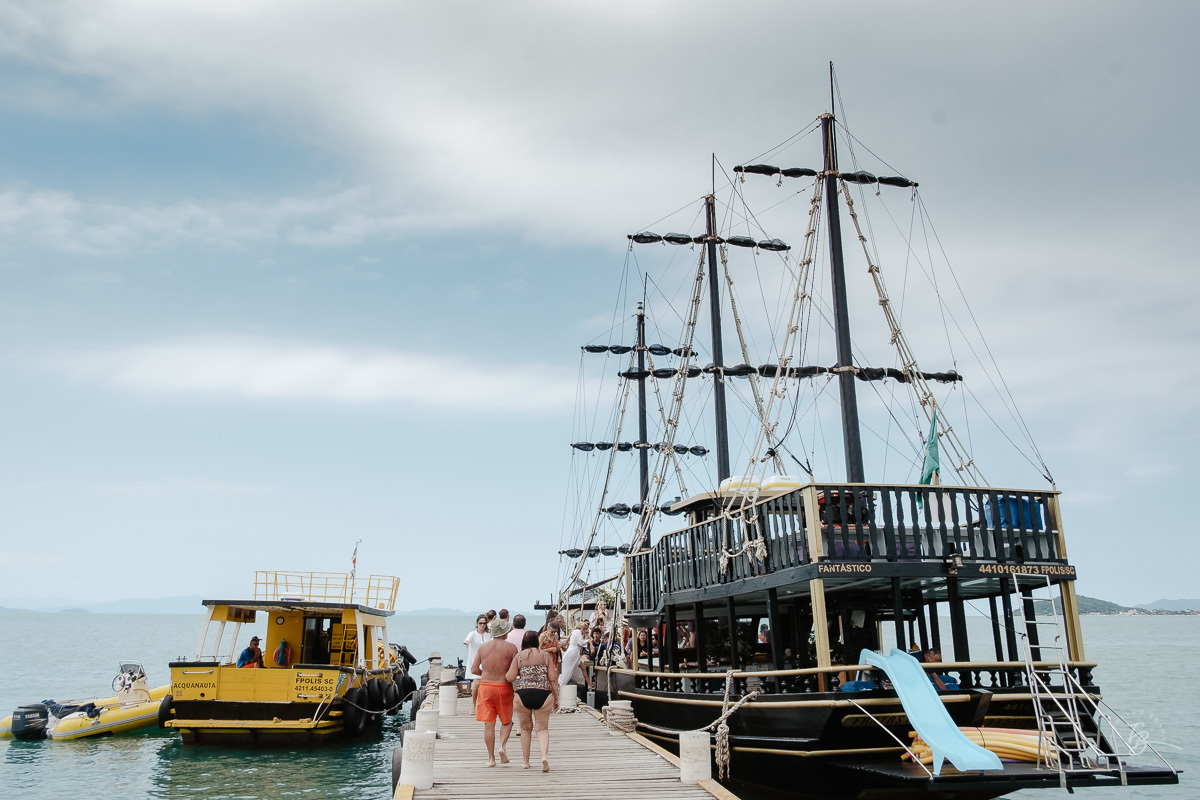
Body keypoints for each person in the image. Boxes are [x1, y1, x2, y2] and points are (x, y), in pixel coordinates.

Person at [469, 616, 518, 767]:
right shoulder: (511, 648)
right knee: (507, 721)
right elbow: (514, 671)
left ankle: (491, 758)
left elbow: (474, 669)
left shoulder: (483, 648)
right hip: (503, 687)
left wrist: (485, 673)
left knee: (488, 724)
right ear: (505, 633)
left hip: (486, 687)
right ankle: (502, 747)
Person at [506, 629, 557, 772]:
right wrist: (557, 697)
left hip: (523, 694)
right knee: (542, 728)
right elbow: (552, 678)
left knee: (525, 729)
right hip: (544, 693)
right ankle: (544, 757)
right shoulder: (546, 656)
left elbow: (510, 677)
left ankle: (525, 762)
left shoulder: (519, 657)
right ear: (537, 641)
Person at [464, 614, 491, 712]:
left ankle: (483, 703)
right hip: (475, 661)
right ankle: (473, 704)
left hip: (486, 662)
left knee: (486, 684)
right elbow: (467, 640)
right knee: (476, 684)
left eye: (484, 623)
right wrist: (466, 643)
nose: (482, 625)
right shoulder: (473, 634)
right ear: (477, 623)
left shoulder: (489, 635)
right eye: (480, 623)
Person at [559, 620, 589, 689]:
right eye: (585, 630)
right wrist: (587, 640)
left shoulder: (573, 632)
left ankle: (589, 683)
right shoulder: (578, 632)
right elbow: (581, 643)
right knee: (569, 670)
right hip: (574, 652)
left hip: (573, 651)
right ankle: (562, 684)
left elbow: (569, 639)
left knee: (580, 667)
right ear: (583, 628)